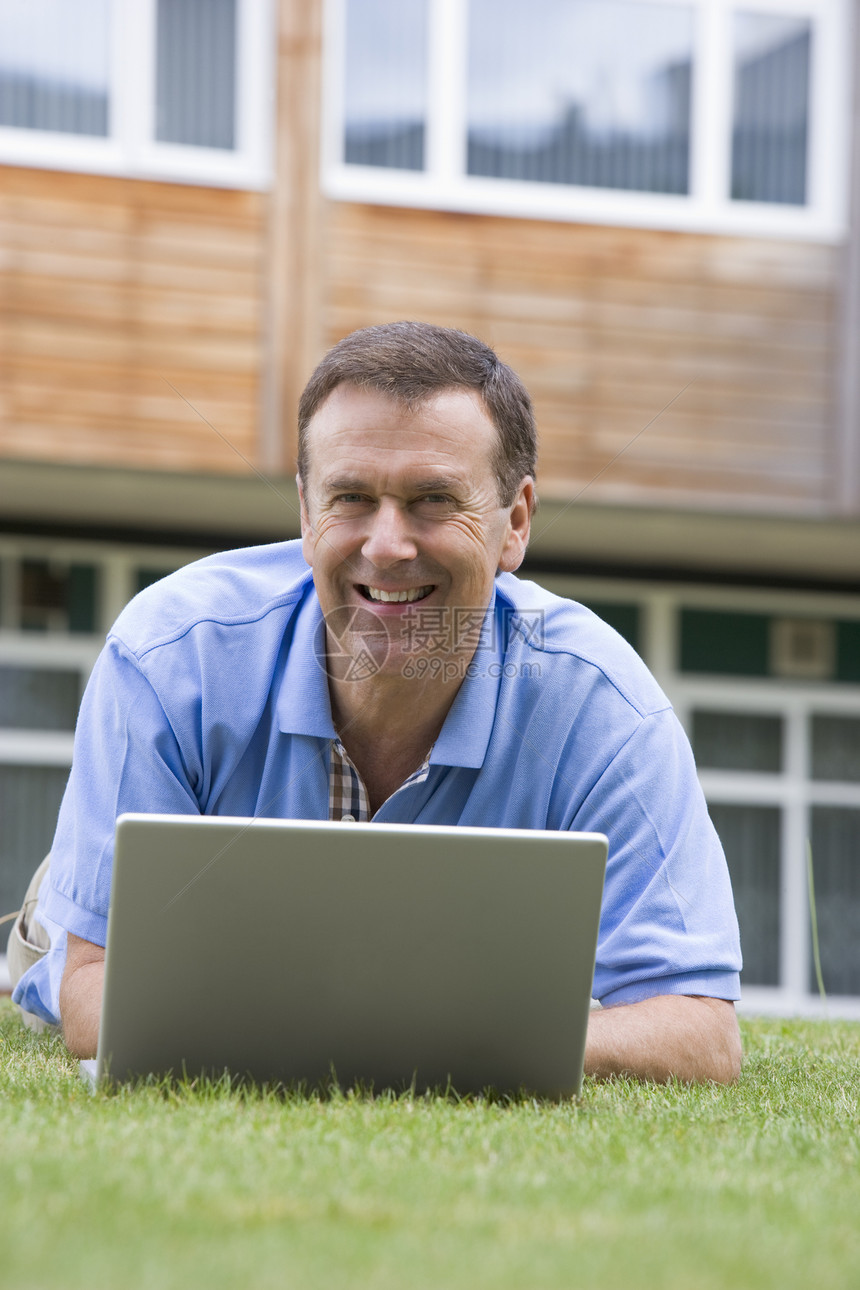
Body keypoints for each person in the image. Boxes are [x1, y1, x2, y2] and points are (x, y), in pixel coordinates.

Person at [9, 321, 743, 1083]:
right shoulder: (168, 655)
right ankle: (45, 904)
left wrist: (429, 1040)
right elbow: (98, 996)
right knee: (60, 939)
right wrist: (443, 1036)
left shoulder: (607, 706)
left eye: (433, 500)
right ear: (304, 512)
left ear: (515, 522)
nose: (387, 545)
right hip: (78, 921)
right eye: (351, 498)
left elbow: (701, 1030)